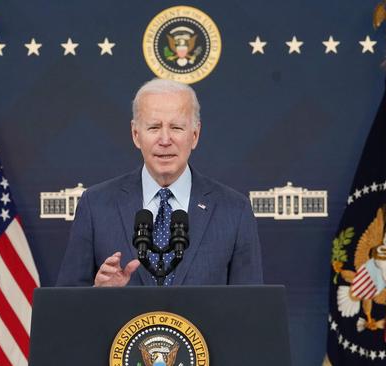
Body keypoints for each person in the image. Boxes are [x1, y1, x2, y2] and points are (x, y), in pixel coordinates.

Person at [55, 78, 263, 287]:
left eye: (176, 127)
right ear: (136, 135)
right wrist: (97, 295)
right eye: (154, 127)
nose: (165, 140)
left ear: (195, 134)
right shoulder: (96, 205)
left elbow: (250, 309)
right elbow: (66, 306)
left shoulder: (234, 210)